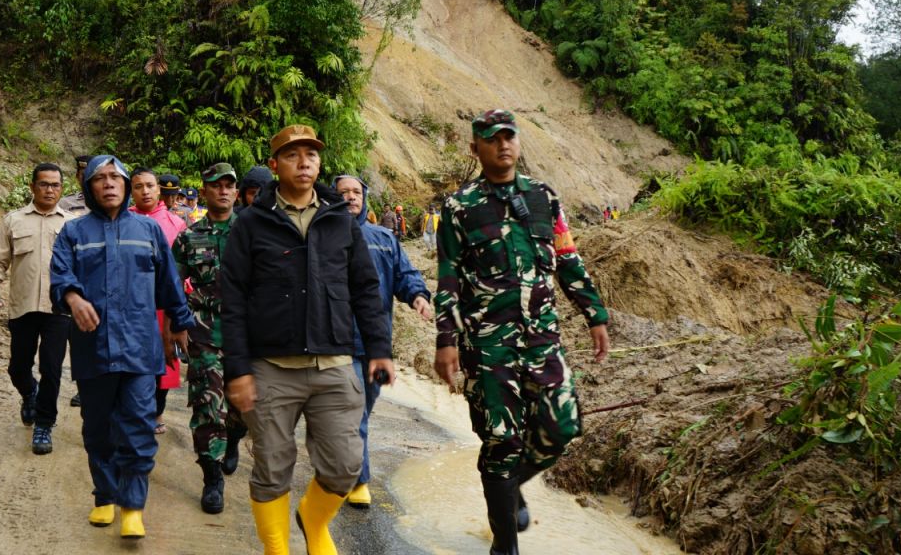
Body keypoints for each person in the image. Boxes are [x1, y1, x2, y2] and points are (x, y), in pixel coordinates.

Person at [433, 110, 611, 555]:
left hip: (541, 340)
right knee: (501, 440)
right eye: (492, 139)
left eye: (509, 136)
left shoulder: (543, 198)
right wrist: (445, 340)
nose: (503, 145)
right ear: (476, 149)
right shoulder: (459, 207)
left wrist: (595, 314)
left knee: (562, 426)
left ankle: (512, 489)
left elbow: (568, 259)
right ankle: (504, 544)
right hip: (488, 345)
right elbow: (449, 277)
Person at [220, 124, 394, 555]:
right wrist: (238, 370)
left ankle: (314, 522)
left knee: (345, 465)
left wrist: (378, 348)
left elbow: (365, 288)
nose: (304, 162)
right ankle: (277, 548)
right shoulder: (251, 224)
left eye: (311, 155)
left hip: (335, 364)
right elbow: (233, 300)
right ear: (275, 164)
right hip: (271, 369)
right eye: (293, 155)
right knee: (272, 469)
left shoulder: (340, 220)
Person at [50, 155, 193, 540]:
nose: (109, 183)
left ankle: (132, 505)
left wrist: (181, 322)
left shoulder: (147, 230)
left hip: (139, 349)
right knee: (97, 428)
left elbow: (169, 283)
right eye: (100, 178)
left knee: (138, 428)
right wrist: (74, 298)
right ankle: (104, 496)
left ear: (127, 185)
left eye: (116, 177)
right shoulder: (74, 233)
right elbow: (59, 276)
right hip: (92, 348)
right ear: (89, 187)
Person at [332, 174, 432, 510]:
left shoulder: (383, 238)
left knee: (361, 411)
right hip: (337, 344)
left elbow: (405, 275)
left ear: (365, 198)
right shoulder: (323, 236)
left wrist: (418, 296)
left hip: (375, 345)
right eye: (343, 192)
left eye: (356, 192)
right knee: (353, 413)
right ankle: (358, 480)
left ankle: (342, 463)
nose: (350, 197)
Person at [0, 163, 76, 455]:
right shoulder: (13, 221)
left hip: (58, 309)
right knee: (17, 367)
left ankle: (44, 425)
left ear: (62, 189)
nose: (50, 190)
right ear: (32, 187)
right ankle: (28, 393)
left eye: (55, 185)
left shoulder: (73, 225)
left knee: (51, 368)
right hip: (22, 307)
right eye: (44, 184)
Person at [172, 163, 248, 515]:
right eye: (215, 185)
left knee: (243, 408)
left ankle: (233, 438)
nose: (222, 190)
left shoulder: (252, 234)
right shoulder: (188, 238)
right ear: (204, 191)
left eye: (228, 185)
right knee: (206, 407)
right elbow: (173, 285)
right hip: (204, 333)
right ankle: (212, 478)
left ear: (236, 191)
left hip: (246, 335)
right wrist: (177, 324)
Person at [130, 168, 188, 435]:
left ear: (158, 191)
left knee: (164, 363)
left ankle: (157, 412)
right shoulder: (122, 219)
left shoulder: (176, 224)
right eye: (139, 186)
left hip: (163, 306)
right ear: (131, 190)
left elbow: (183, 271)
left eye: (150, 186)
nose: (146, 191)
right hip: (130, 304)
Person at [59, 155, 91, 408]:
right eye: (82, 171)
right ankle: (83, 385)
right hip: (73, 280)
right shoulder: (65, 204)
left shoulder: (111, 202)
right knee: (77, 338)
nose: (85, 175)